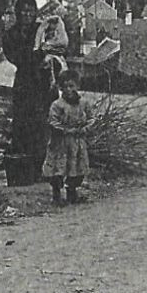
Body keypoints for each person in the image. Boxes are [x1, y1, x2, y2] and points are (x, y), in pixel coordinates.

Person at [2, 0, 68, 176]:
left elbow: (59, 46)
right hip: (24, 85)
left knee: (44, 126)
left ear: (35, 12)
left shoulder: (42, 30)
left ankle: (44, 169)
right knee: (23, 126)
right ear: (17, 13)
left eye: (30, 11)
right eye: (22, 11)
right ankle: (25, 171)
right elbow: (18, 59)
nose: (26, 14)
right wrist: (39, 53)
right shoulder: (10, 35)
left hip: (44, 85)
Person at [43, 72, 91, 204]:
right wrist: (66, 130)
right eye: (65, 87)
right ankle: (56, 196)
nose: (69, 90)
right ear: (60, 88)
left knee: (76, 167)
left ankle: (72, 193)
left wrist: (84, 129)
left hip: (77, 142)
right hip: (60, 143)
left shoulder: (83, 103)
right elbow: (53, 122)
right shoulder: (57, 105)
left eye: (72, 86)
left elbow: (92, 119)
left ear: (77, 86)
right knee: (58, 169)